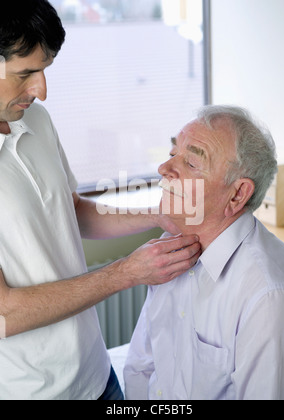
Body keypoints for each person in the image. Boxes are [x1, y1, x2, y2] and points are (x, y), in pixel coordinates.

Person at [0, 0, 201, 400]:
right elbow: (5, 313)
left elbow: (70, 211)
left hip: (97, 375)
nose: (41, 90)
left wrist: (156, 214)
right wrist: (127, 272)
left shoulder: (34, 119)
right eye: (26, 73)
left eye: (45, 70)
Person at [124, 105, 284, 400]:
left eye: (191, 163)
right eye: (171, 154)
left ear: (237, 194)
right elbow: (141, 366)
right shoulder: (169, 247)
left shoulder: (269, 298)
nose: (164, 169)